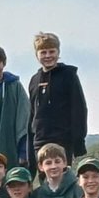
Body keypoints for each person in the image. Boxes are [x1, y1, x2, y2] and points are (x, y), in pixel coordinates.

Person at [27, 32, 88, 165]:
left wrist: (78, 142)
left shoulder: (69, 76)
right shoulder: (34, 80)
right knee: (45, 183)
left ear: (58, 52)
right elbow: (31, 114)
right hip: (40, 142)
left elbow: (79, 110)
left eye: (51, 51)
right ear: (36, 54)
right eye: (43, 52)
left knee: (62, 182)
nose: (48, 56)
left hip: (63, 141)